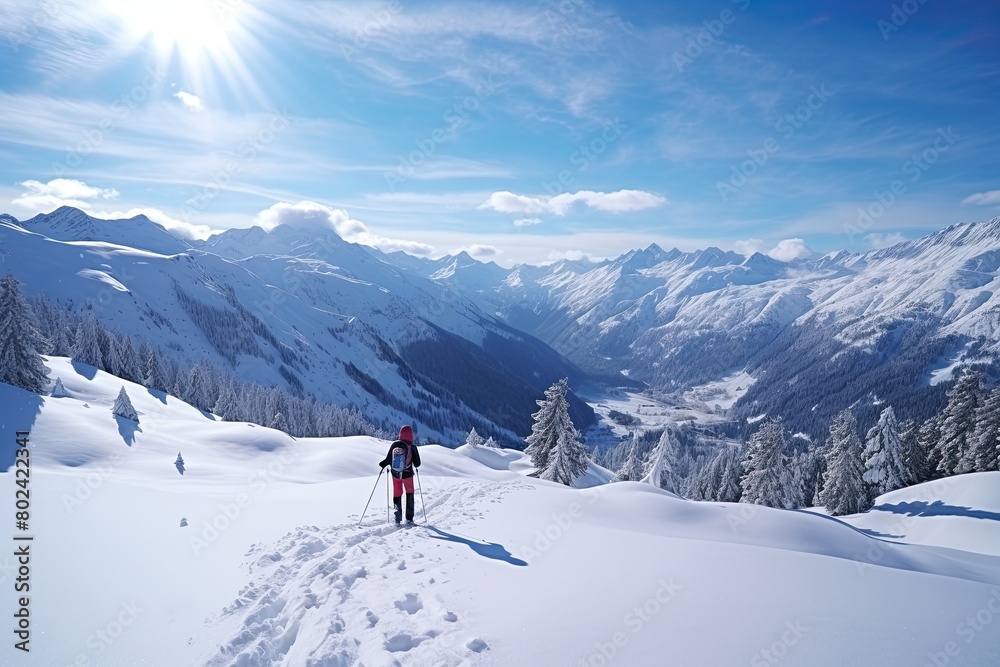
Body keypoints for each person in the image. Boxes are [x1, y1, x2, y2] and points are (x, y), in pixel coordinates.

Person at [379, 425, 421, 524]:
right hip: (407, 474)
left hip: (395, 475)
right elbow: (417, 464)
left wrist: (382, 465)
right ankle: (409, 518)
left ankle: (397, 518)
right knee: (409, 493)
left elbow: (388, 460)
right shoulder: (412, 447)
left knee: (397, 494)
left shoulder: (394, 445)